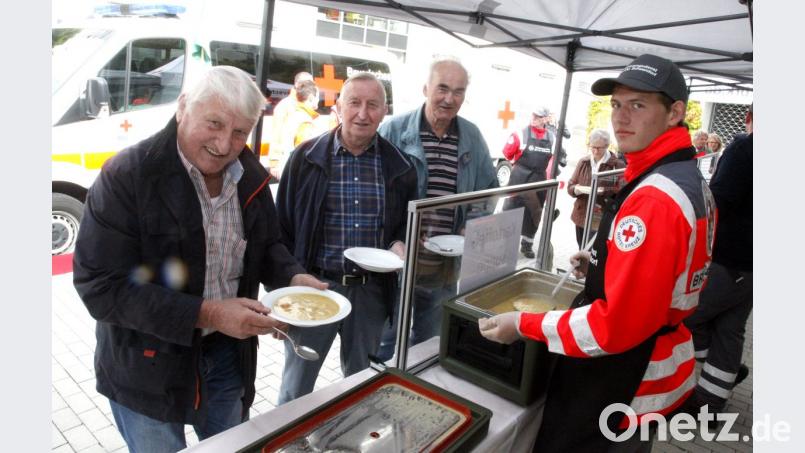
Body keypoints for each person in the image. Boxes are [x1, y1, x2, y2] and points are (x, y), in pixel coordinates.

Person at [72, 66, 327, 453]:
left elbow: (268, 245)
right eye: (214, 123)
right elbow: (101, 289)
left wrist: (292, 278)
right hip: (146, 364)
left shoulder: (249, 176)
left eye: (240, 132)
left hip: (227, 356)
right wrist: (209, 313)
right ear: (183, 108)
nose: (225, 144)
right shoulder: (127, 176)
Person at [479, 54, 716, 451]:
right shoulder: (686, 176)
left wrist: (523, 324)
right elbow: (671, 267)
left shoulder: (656, 198)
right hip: (651, 366)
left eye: (638, 105)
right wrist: (603, 264)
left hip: (622, 375)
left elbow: (616, 326)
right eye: (617, 105)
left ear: (675, 112)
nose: (621, 118)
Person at [275, 72, 418, 404]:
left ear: (385, 112)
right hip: (315, 288)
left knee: (360, 385)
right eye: (354, 103)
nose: (363, 114)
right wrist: (282, 291)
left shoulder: (401, 167)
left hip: (371, 294)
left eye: (373, 105)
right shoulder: (305, 158)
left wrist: (399, 244)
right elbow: (280, 230)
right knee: (295, 389)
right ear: (338, 107)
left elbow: (402, 227)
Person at [376, 57, 498, 360]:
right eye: (442, 88)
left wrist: (472, 223)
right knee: (384, 343)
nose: (449, 98)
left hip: (444, 265)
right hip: (399, 260)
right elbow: (376, 192)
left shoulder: (471, 136)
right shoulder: (394, 129)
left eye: (458, 91)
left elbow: (489, 189)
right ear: (425, 88)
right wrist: (398, 235)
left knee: (428, 344)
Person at [683, 105, 753, 416]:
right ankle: (711, 403)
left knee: (689, 315)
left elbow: (717, 200)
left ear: (749, 118)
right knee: (730, 329)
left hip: (729, 257)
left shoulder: (744, 148)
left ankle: (707, 374)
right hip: (753, 265)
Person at [501, 105, 557, 259]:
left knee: (534, 213)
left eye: (539, 116)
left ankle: (527, 245)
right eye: (533, 115)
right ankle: (506, 245)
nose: (534, 118)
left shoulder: (552, 138)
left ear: (546, 119)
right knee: (511, 211)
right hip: (519, 178)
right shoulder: (520, 133)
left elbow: (554, 160)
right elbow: (506, 153)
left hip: (539, 180)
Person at [567, 129, 625, 248]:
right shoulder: (584, 162)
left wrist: (604, 191)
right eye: (592, 147)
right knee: (581, 247)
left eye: (599, 148)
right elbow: (570, 185)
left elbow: (622, 191)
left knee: (594, 250)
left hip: (601, 216)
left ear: (607, 146)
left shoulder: (617, 165)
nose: (595, 151)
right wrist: (575, 189)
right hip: (581, 214)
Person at [269, 71, 314, 178]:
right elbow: (277, 133)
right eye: (308, 83)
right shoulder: (285, 105)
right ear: (297, 84)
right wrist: (275, 161)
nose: (312, 86)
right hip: (289, 161)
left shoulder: (306, 104)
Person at [275, 79, 320, 176]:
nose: (318, 100)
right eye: (318, 97)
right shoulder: (305, 122)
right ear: (311, 98)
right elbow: (306, 155)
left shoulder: (294, 114)